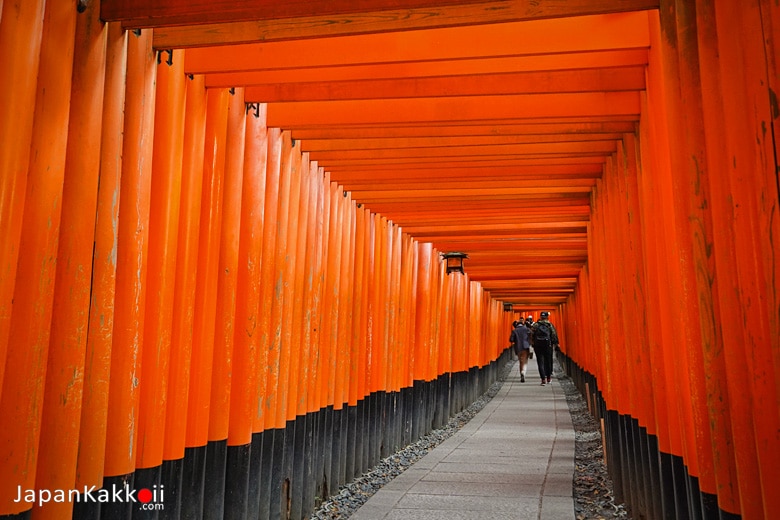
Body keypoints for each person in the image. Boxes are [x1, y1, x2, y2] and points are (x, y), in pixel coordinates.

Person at [530, 311, 559, 385]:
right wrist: (555, 344)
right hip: (547, 345)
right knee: (548, 361)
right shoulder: (550, 325)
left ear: (540, 317)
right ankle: (548, 378)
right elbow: (554, 335)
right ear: (547, 317)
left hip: (538, 346)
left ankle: (543, 379)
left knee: (540, 362)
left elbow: (531, 335)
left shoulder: (536, 325)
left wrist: (533, 343)